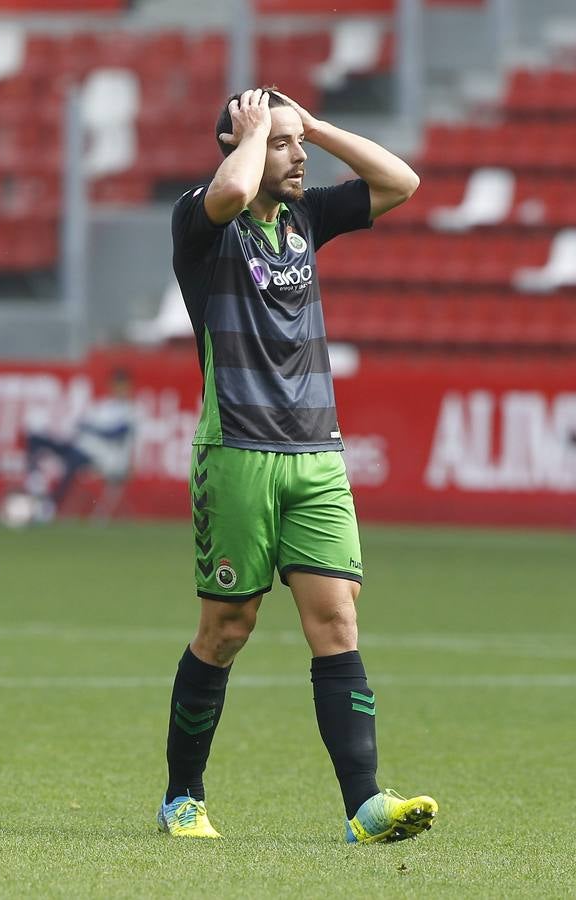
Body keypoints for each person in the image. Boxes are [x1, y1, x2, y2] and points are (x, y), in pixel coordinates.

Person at [156, 87, 438, 843]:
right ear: (236, 142)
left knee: (337, 621)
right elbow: (232, 190)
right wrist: (254, 136)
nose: (298, 155)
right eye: (281, 143)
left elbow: (400, 182)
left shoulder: (305, 220)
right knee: (226, 628)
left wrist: (310, 122)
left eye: (297, 142)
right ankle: (183, 796)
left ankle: (364, 806)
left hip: (316, 454)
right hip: (237, 452)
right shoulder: (201, 222)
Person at [2, 368, 134, 526]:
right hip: (80, 448)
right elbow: (81, 425)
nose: (119, 388)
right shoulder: (103, 406)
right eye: (117, 384)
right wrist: (86, 428)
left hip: (106, 459)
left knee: (72, 461)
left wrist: (92, 428)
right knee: (36, 439)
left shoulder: (131, 410)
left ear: (128, 387)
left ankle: (49, 507)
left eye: (123, 385)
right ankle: (36, 485)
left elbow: (117, 433)